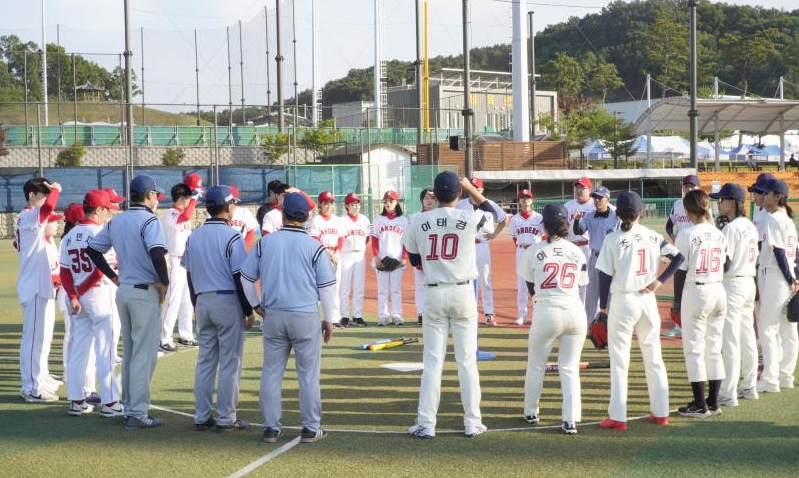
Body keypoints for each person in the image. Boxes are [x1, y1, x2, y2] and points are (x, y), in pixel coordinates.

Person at [403, 171, 505, 439]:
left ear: (434, 194)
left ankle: (426, 423)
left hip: (434, 292)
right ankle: (472, 422)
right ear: (459, 194)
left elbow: (415, 260)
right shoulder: (469, 216)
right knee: (467, 361)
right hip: (463, 292)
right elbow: (496, 216)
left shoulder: (417, 219)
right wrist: (472, 189)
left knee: (432, 362)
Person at [240, 192, 339, 444]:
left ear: (283, 215)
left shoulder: (265, 243)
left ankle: (271, 428)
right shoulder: (314, 246)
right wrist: (330, 319)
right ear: (305, 217)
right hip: (305, 316)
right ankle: (310, 427)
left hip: (273, 315)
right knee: (308, 375)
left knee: (271, 372)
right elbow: (327, 287)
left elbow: (246, 278)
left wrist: (256, 305)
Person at [87, 174, 170, 430]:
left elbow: (93, 249)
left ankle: (130, 406)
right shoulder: (150, 220)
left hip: (124, 290)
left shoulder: (117, 220)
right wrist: (164, 282)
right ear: (148, 195)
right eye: (156, 194)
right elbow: (157, 252)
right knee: (144, 355)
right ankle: (137, 413)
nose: (157, 199)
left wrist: (112, 276)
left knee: (132, 352)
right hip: (144, 292)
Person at [596, 191, 683, 431]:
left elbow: (604, 276)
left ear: (618, 213)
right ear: (641, 212)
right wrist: (659, 281)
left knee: (620, 361)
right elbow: (678, 258)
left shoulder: (612, 238)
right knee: (654, 358)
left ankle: (618, 416)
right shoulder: (652, 235)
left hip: (623, 301)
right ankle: (661, 412)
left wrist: (602, 308)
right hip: (647, 300)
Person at [182, 185, 255, 432]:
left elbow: (189, 275)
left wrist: (196, 305)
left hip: (203, 300)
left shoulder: (194, 236)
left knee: (205, 361)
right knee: (230, 362)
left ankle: (202, 416)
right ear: (226, 206)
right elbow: (239, 276)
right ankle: (226, 418)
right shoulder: (232, 236)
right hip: (227, 300)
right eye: (233, 202)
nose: (234, 206)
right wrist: (248, 310)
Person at [518, 203, 588, 435]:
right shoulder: (577, 251)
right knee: (570, 368)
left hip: (547, 311)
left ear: (544, 224)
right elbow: (581, 283)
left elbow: (531, 285)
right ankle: (570, 420)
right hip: (574, 311)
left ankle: (531, 412)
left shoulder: (533, 250)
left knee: (536, 365)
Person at [59, 190, 124, 417]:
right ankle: (110, 403)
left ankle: (76, 401)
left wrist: (74, 295)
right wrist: (81, 291)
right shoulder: (101, 233)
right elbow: (101, 270)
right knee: (106, 350)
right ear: (98, 209)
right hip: (99, 295)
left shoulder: (69, 236)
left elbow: (64, 271)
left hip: (77, 297)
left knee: (79, 351)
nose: (109, 214)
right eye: (106, 209)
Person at [672, 189, 729, 418]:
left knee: (694, 349)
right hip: (718, 289)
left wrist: (676, 302)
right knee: (714, 347)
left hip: (697, 290)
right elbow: (726, 264)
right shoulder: (719, 233)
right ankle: (713, 402)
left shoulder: (686, 234)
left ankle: (699, 404)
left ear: (688, 211)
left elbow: (679, 271)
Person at [709, 183, 759, 407]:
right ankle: (749, 386)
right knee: (747, 337)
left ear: (735, 203)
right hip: (749, 281)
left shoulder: (731, 228)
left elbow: (725, 263)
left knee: (729, 340)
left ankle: (728, 393)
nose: (719, 203)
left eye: (723, 199)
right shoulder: (750, 225)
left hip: (734, 284)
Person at [15, 177, 62, 403]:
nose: (46, 197)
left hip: (41, 285)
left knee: (42, 339)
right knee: (33, 340)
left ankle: (40, 378)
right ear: (31, 195)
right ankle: (31, 387)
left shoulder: (32, 219)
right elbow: (48, 208)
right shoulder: (27, 215)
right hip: (33, 287)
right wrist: (57, 190)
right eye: (43, 193)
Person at [753, 178, 799, 393]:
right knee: (788, 330)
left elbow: (779, 252)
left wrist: (790, 278)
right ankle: (786, 376)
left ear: (778, 196)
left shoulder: (773, 218)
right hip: (787, 277)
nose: (763, 196)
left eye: (767, 193)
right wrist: (794, 279)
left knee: (768, 329)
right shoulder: (788, 220)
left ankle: (770, 379)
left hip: (774, 275)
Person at [457, 177, 507, 326]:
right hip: (464, 247)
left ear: (482, 190)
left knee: (485, 280)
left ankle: (489, 313)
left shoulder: (489, 204)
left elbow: (504, 219)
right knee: (464, 280)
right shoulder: (460, 204)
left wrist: (495, 234)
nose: (474, 191)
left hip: (481, 245)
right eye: (471, 188)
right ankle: (466, 312)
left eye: (477, 188)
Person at [664, 174, 709, 337]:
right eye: (686, 186)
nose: (688, 189)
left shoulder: (704, 204)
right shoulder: (677, 205)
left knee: (697, 286)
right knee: (680, 286)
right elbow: (669, 225)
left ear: (698, 187)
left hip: (698, 251)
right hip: (682, 250)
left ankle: (698, 323)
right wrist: (673, 237)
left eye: (692, 186)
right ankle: (679, 324)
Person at [159, 181, 200, 353]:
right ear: (182, 198)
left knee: (187, 300)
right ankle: (163, 337)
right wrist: (195, 199)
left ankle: (186, 335)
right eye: (188, 198)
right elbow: (186, 217)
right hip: (174, 261)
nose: (190, 201)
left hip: (186, 261)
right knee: (172, 300)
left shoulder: (182, 212)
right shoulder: (170, 214)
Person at [572, 185, 619, 323]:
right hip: (595, 257)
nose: (596, 200)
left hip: (611, 259)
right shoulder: (589, 216)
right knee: (591, 293)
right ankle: (590, 324)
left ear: (607, 199)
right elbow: (578, 231)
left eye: (600, 198)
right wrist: (576, 220)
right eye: (595, 198)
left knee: (611, 294)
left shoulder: (616, 216)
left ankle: (610, 325)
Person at [371, 190, 409, 326]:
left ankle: (397, 315)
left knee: (396, 290)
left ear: (396, 202)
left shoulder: (403, 220)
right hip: (381, 260)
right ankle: (383, 316)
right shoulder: (378, 220)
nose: (388, 203)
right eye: (385, 201)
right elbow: (374, 240)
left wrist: (404, 258)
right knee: (382, 290)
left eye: (391, 201)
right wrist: (376, 257)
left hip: (397, 260)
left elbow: (406, 241)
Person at [309, 191, 345, 327]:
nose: (328, 205)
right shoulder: (316, 220)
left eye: (330, 203)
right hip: (321, 255)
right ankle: (313, 316)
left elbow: (341, 238)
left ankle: (334, 318)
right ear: (320, 204)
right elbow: (315, 239)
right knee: (320, 287)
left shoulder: (337, 220)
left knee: (335, 286)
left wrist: (336, 252)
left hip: (335, 254)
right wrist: (330, 253)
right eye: (325, 203)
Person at [508, 188, 544, 325]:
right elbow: (514, 237)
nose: (525, 200)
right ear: (519, 201)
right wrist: (521, 247)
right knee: (522, 284)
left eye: (528, 198)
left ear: (532, 200)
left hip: (535, 252)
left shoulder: (539, 218)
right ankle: (522, 315)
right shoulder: (515, 219)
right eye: (523, 198)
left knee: (537, 284)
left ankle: (537, 314)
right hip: (521, 251)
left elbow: (544, 236)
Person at [564, 176, 596, 318]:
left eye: (582, 188)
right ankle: (573, 312)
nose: (578, 190)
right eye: (577, 187)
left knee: (587, 282)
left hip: (587, 248)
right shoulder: (568, 206)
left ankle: (587, 314)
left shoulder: (595, 205)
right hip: (571, 247)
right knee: (571, 280)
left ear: (590, 190)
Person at [338, 192, 371, 327]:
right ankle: (344, 316)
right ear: (346, 205)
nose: (356, 206)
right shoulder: (342, 220)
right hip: (346, 254)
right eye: (352, 204)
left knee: (359, 287)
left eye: (357, 204)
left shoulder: (364, 220)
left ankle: (357, 315)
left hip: (360, 255)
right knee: (344, 287)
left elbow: (367, 238)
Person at [411, 188, 437, 325]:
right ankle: (421, 313)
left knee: (436, 285)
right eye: (426, 198)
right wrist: (416, 257)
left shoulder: (440, 215)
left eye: (432, 197)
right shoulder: (415, 217)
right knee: (420, 286)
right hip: (420, 255)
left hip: (436, 256)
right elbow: (411, 238)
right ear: (422, 200)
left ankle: (434, 312)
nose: (429, 200)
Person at [228, 185, 260, 251]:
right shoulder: (218, 214)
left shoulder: (244, 212)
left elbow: (254, 231)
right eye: (231, 201)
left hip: (241, 249)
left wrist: (244, 247)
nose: (233, 203)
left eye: (234, 201)